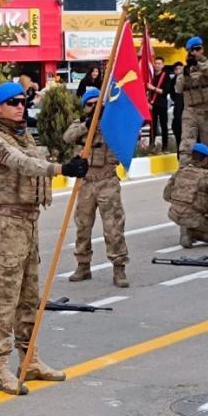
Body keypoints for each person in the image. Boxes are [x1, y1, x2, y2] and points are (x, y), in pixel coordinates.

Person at [0, 83, 88, 394]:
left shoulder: (23, 136)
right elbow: (22, 163)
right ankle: (1, 368)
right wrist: (62, 168)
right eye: (12, 102)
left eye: (23, 101)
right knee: (6, 300)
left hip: (29, 224)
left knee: (30, 298)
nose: (20, 106)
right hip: (7, 226)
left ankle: (30, 360)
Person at [64, 89, 129, 288]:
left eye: (97, 104)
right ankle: (83, 265)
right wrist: (87, 123)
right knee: (83, 226)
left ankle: (119, 268)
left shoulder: (112, 124)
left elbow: (125, 135)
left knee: (113, 227)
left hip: (107, 180)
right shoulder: (80, 124)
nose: (93, 107)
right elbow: (67, 137)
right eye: (89, 104)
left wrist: (105, 119)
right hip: (86, 182)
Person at [164, 143, 208, 248]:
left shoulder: (180, 172)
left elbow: (166, 195)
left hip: (174, 214)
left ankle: (186, 228)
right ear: (205, 159)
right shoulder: (207, 176)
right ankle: (191, 232)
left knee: (187, 214)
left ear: (191, 156)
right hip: (194, 218)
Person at [175, 37, 208, 159]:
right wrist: (185, 74)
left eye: (197, 49)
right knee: (186, 143)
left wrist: (197, 64)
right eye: (191, 50)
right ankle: (184, 170)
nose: (194, 52)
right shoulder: (184, 70)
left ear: (202, 50)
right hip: (190, 111)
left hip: (207, 111)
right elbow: (179, 89)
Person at [147, 57, 173, 151]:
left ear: (163, 65)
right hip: (152, 105)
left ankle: (165, 146)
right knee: (152, 126)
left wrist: (153, 88)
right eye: (155, 63)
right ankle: (151, 145)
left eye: (159, 64)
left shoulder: (165, 76)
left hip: (161, 104)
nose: (157, 65)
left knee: (163, 126)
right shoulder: (151, 75)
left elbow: (165, 91)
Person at [170, 62, 184, 147]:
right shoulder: (173, 81)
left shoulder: (187, 79)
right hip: (178, 104)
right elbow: (172, 94)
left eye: (180, 68)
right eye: (176, 69)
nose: (178, 70)